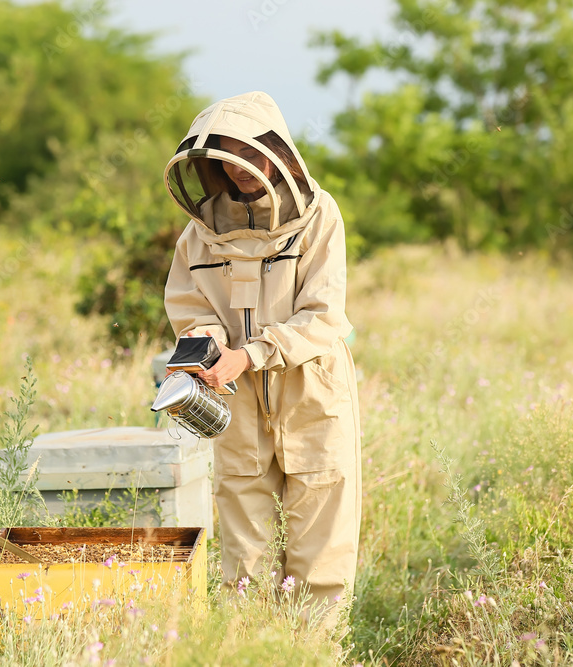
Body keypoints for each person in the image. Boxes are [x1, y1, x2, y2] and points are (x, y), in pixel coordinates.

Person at [162, 91, 361, 624]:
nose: (239, 168)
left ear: (276, 150)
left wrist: (250, 354)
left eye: (247, 153)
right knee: (244, 558)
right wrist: (203, 351)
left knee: (320, 550)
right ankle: (252, 652)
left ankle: (315, 659)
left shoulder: (320, 217)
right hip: (236, 400)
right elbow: (189, 307)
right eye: (225, 156)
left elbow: (321, 315)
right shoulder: (200, 232)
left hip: (310, 391)